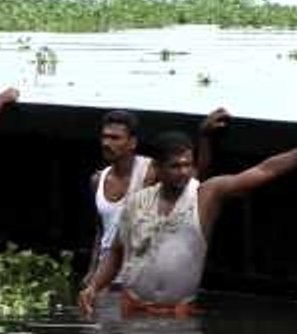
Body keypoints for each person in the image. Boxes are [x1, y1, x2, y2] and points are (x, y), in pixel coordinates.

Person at [79, 116, 297, 317]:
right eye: (175, 166)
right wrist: (94, 287)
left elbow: (266, 170)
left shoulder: (206, 195)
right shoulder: (137, 202)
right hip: (132, 310)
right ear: (158, 169)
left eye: (187, 164)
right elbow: (115, 252)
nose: (184, 172)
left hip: (178, 314)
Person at [82, 108, 230, 287]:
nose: (106, 143)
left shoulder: (150, 171)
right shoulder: (98, 180)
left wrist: (204, 136)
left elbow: (194, 179)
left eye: (115, 138)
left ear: (132, 142)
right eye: (104, 137)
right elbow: (101, 231)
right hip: (107, 278)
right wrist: (92, 272)